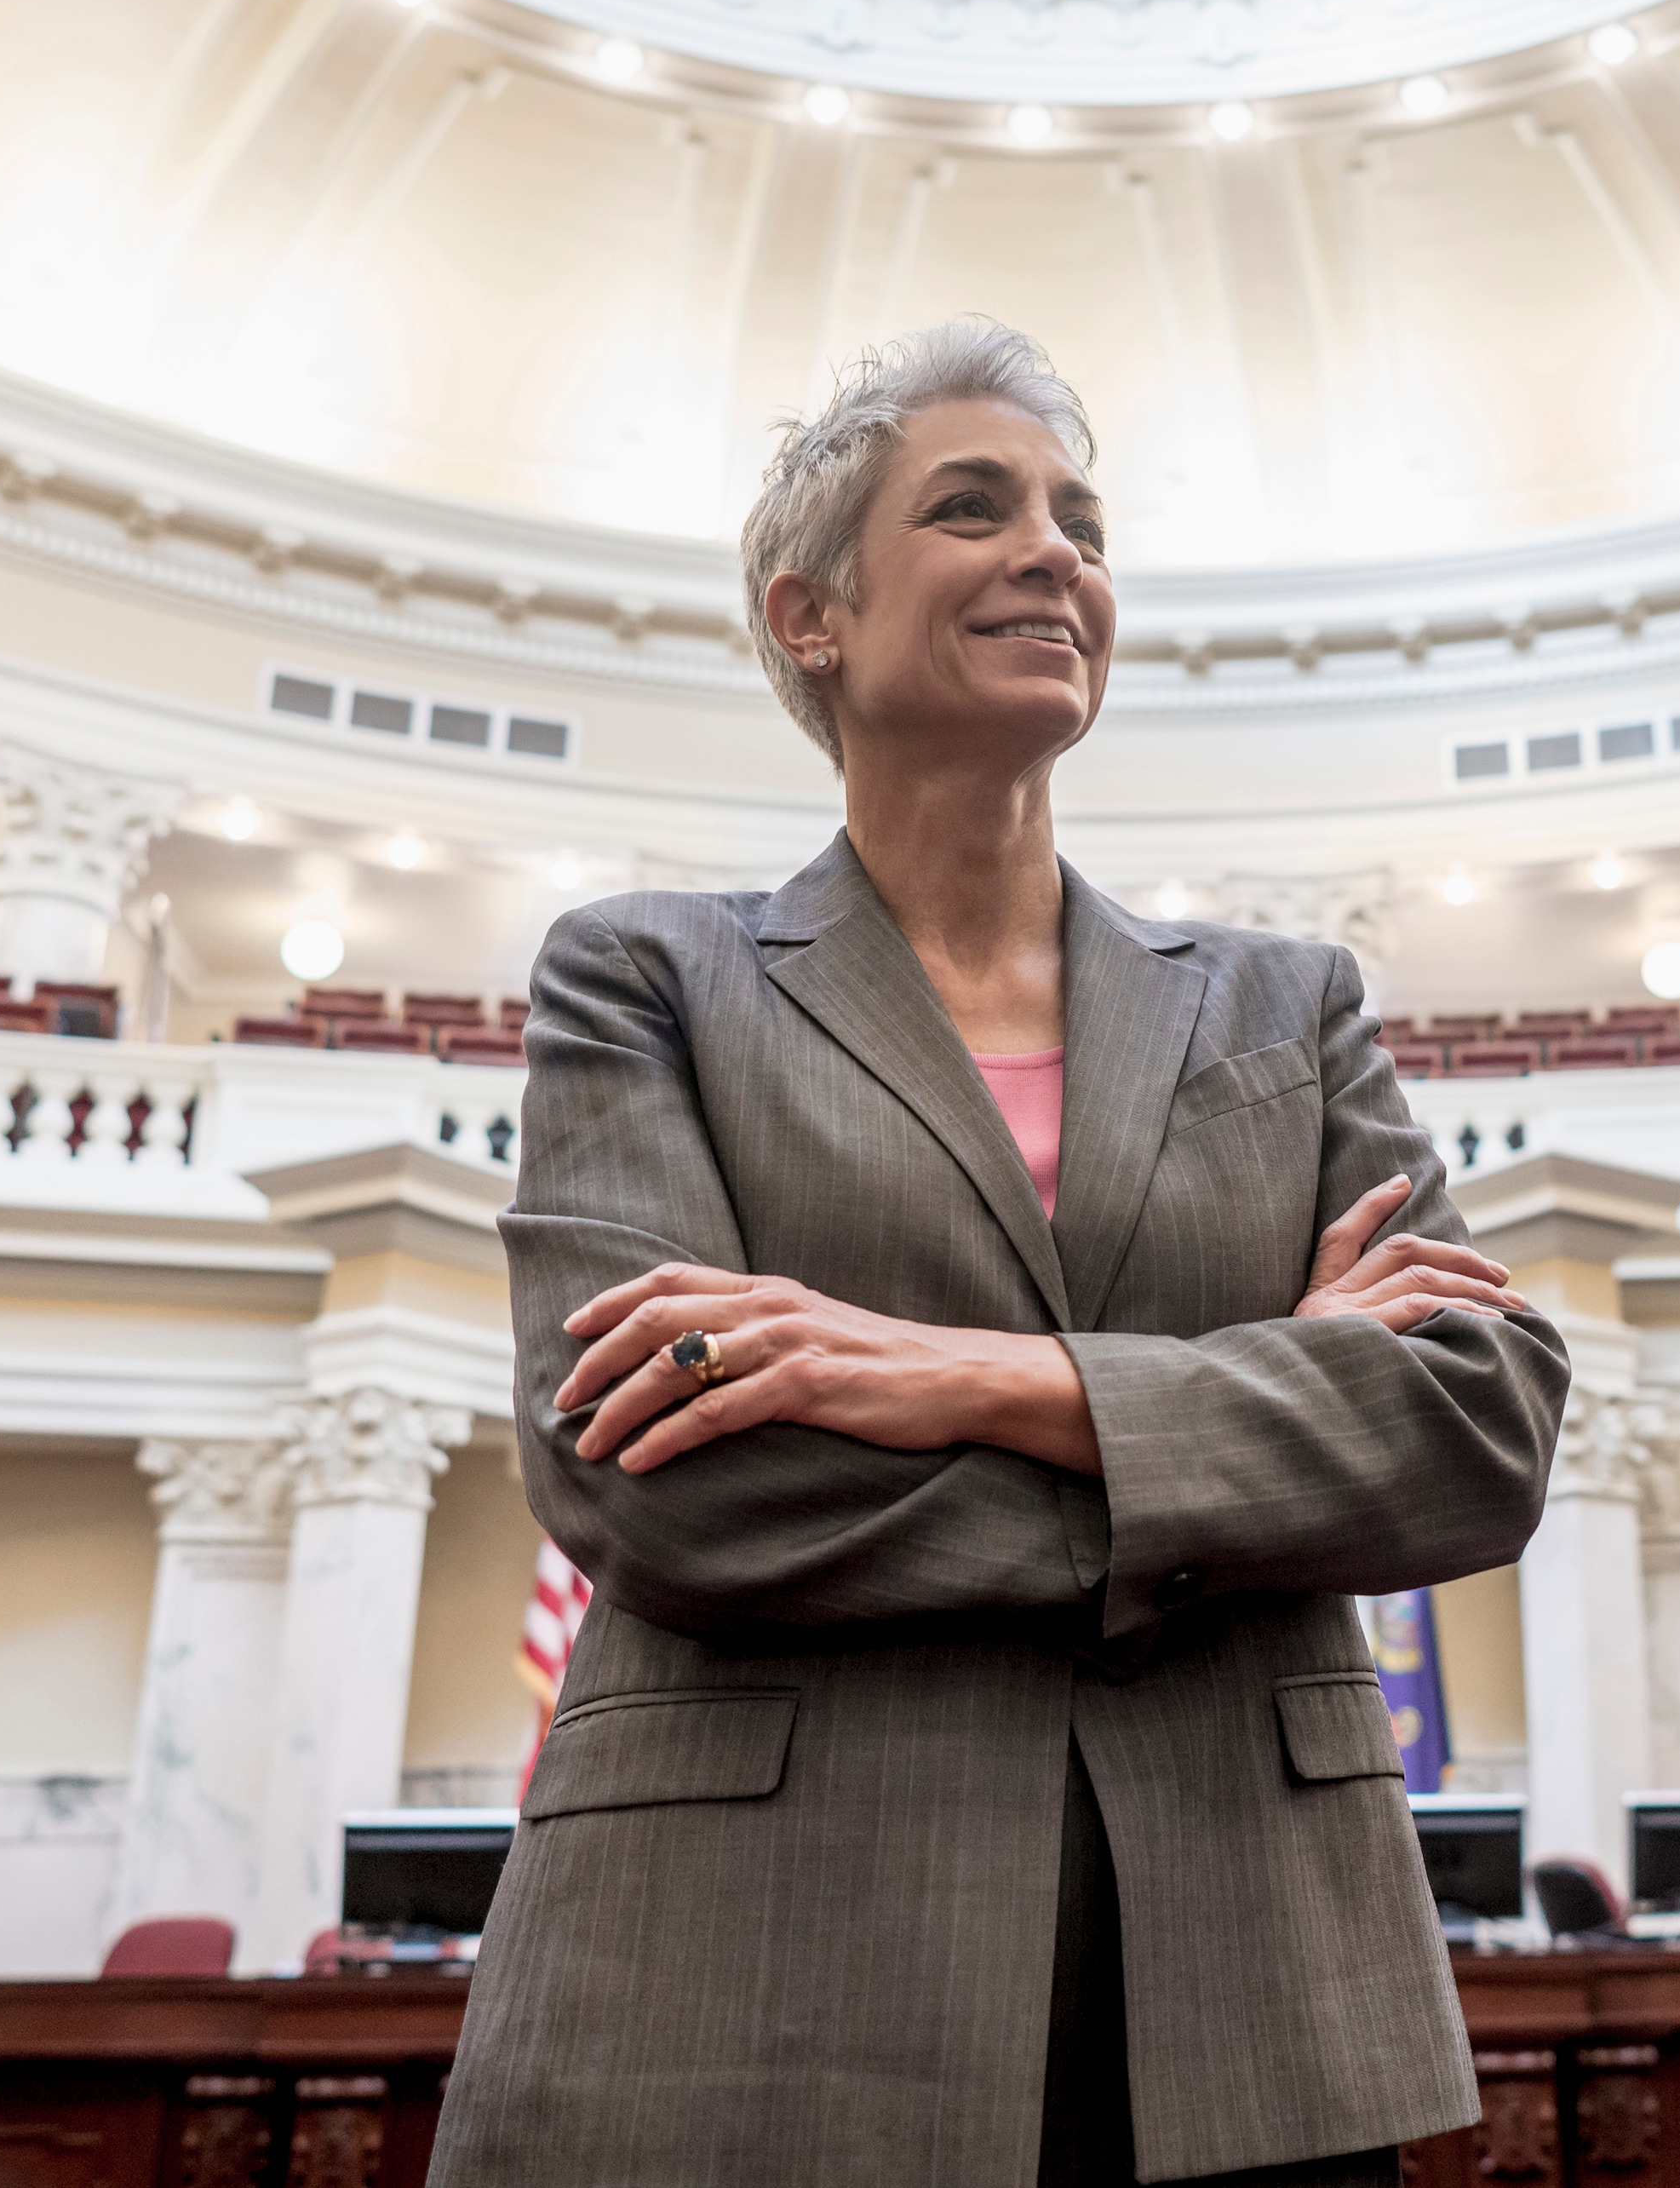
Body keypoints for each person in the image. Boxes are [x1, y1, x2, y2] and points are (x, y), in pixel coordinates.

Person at [427, 319, 1571, 2188]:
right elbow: (658, 1479)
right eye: (974, 507)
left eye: (1080, 522)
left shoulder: (1288, 1003)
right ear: (810, 613)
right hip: (753, 1967)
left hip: (1253, 1987)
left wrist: (962, 1375)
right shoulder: (645, 975)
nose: (1055, 552)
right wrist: (1244, 1443)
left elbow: (1477, 1428)